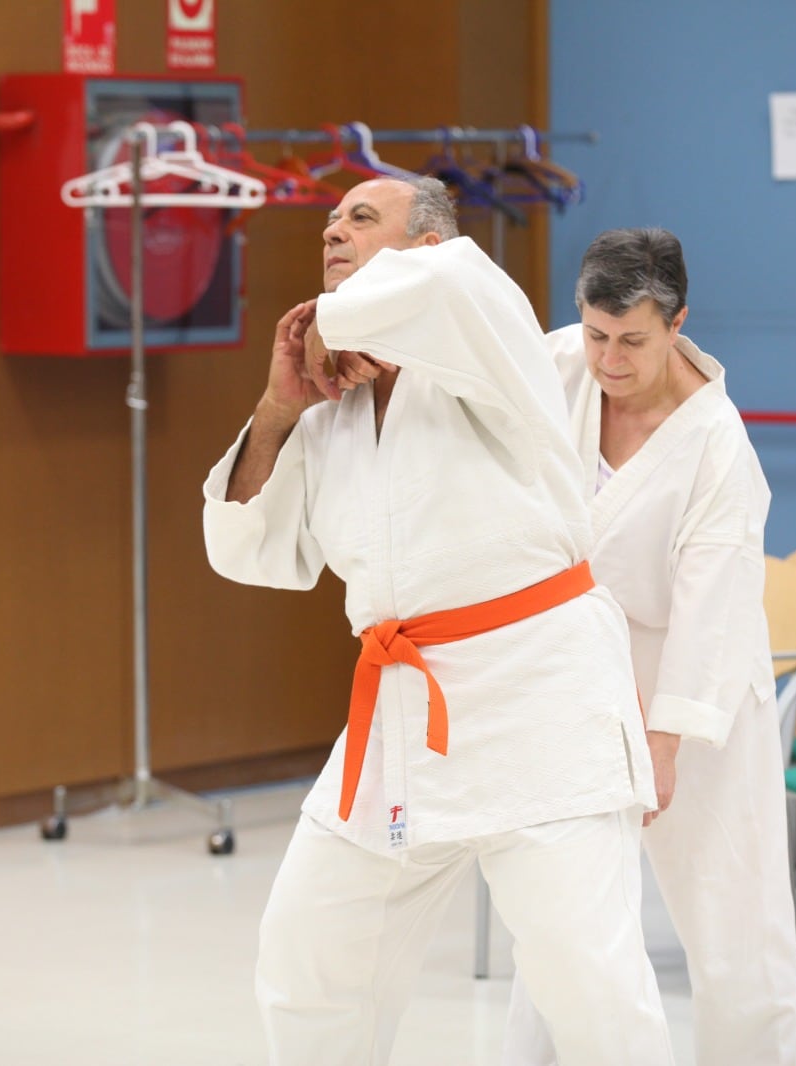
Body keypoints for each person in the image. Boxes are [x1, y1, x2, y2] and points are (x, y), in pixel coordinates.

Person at [201, 176, 675, 1065]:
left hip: (538, 699)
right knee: (310, 952)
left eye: (359, 217)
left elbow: (430, 291)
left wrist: (322, 333)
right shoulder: (334, 398)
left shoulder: (478, 305)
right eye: (329, 221)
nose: (333, 230)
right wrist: (279, 405)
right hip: (401, 714)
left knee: (589, 988)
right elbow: (255, 552)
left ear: (421, 244)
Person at [499, 228, 796, 1065]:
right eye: (597, 334)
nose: (610, 358)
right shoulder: (560, 363)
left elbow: (715, 608)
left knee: (734, 922)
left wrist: (663, 742)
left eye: (632, 340)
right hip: (577, 675)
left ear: (677, 324)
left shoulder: (716, 445)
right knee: (559, 912)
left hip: (693, 691)